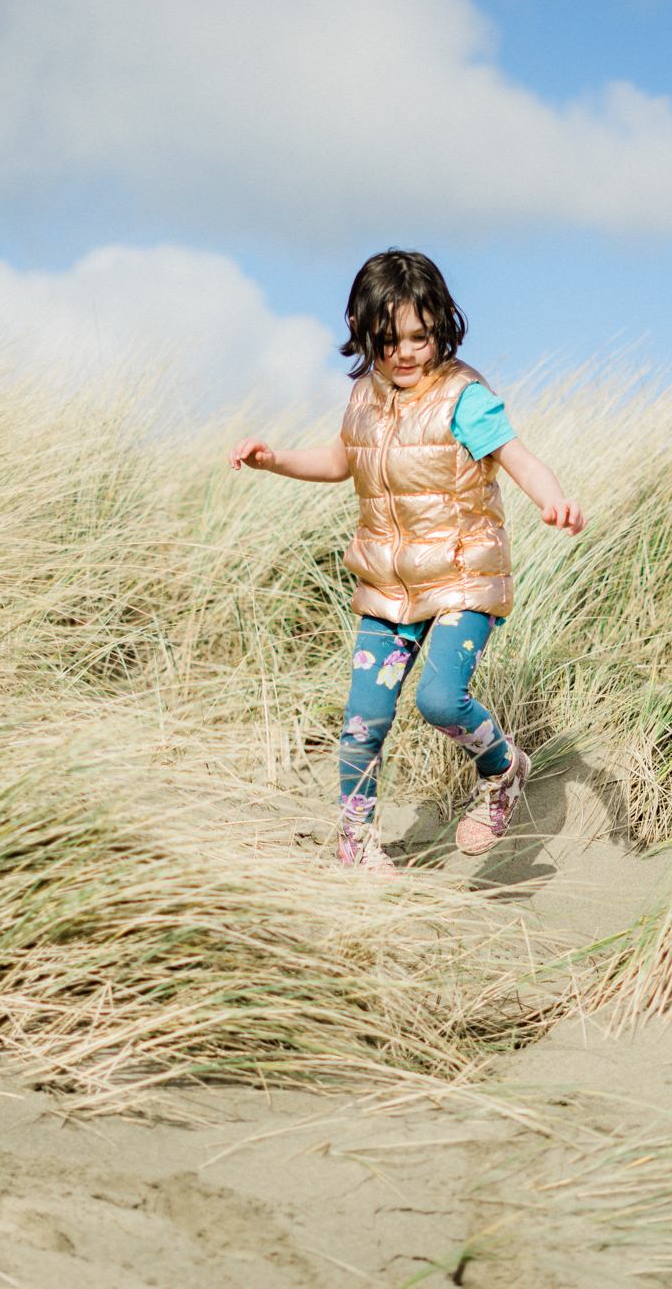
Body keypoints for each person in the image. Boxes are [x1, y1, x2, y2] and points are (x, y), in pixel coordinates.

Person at [228, 250, 585, 877]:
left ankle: (502, 771)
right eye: (388, 339)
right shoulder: (365, 398)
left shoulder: (462, 398)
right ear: (363, 330)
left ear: (441, 325)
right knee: (363, 719)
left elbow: (519, 458)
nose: (405, 353)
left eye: (419, 336)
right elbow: (341, 461)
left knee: (441, 700)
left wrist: (551, 498)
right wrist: (273, 458)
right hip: (387, 585)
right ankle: (355, 844)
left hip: (462, 578)